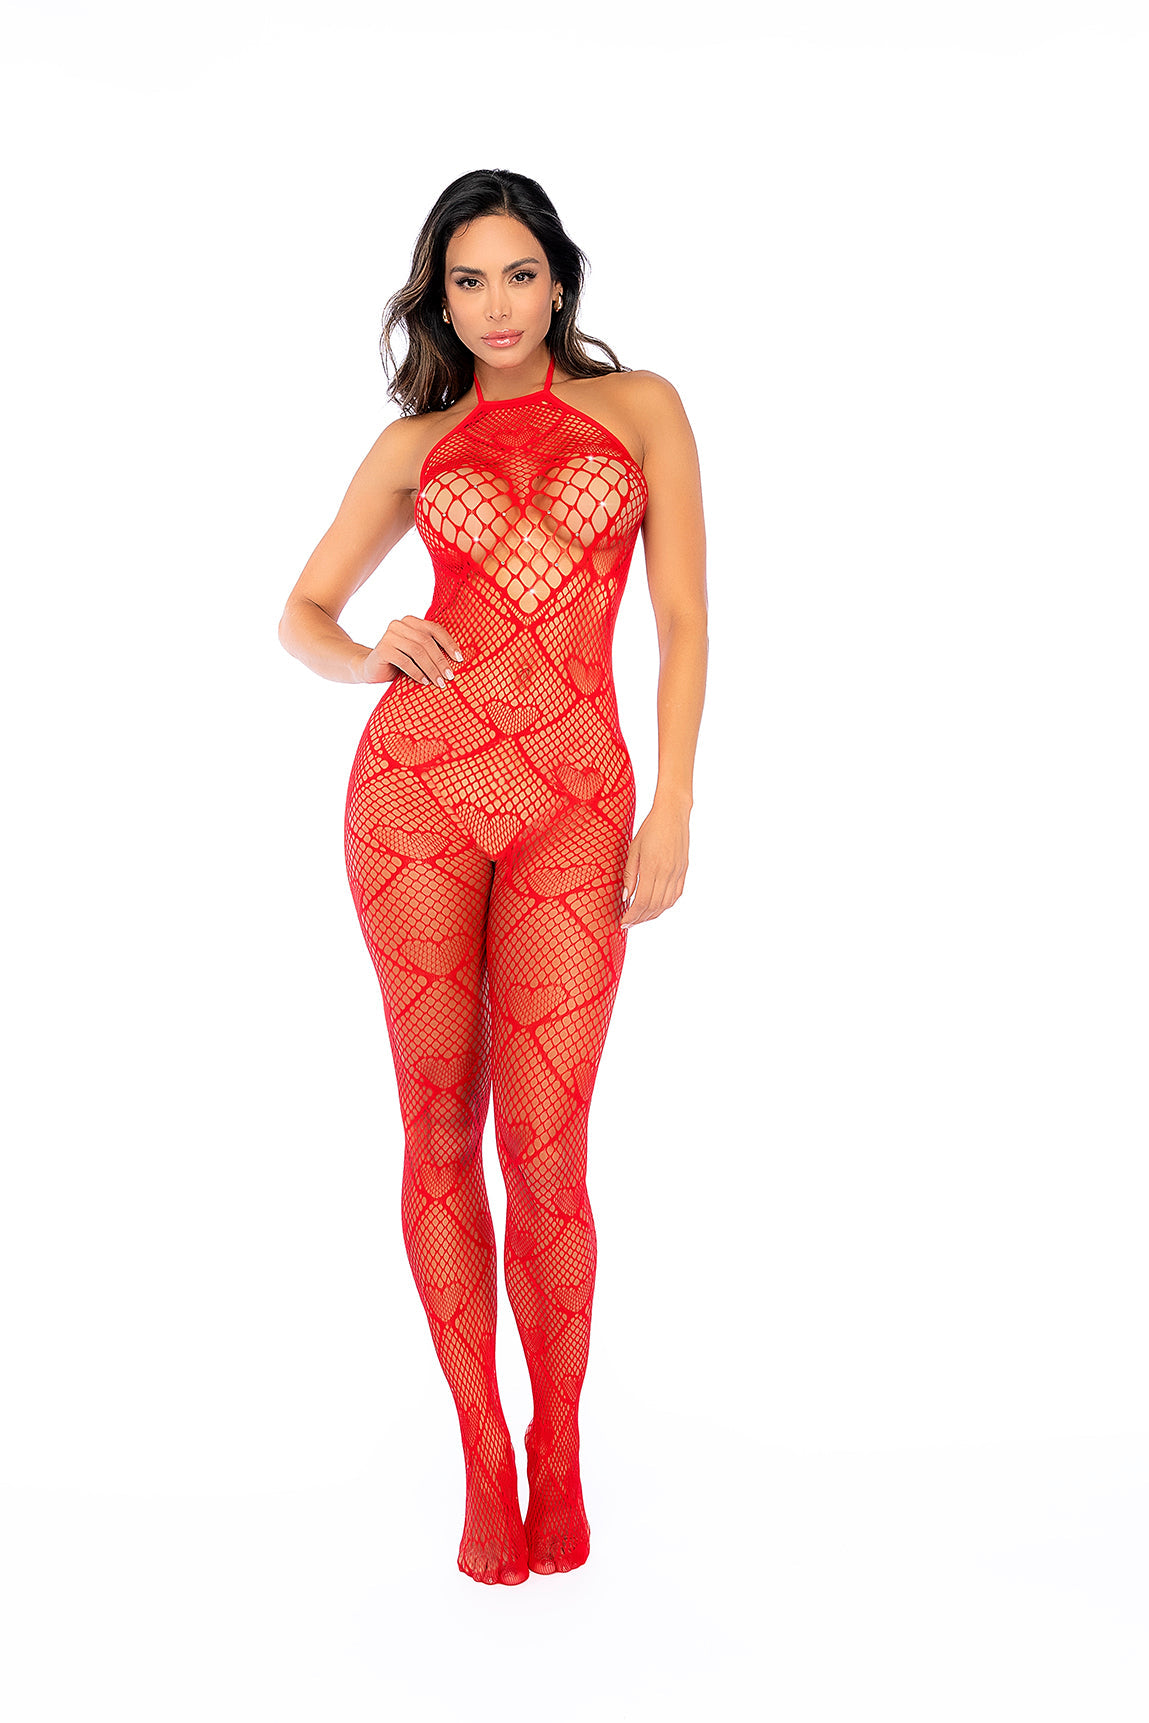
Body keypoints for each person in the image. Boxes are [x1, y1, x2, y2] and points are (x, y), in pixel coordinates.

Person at [278, 168, 707, 1585]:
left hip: (578, 801)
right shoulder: (414, 443)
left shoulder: (640, 408)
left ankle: (558, 1444)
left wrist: (672, 806)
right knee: (437, 1126)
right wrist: (369, 652)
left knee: (548, 1148)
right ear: (440, 301)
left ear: (559, 281)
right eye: (467, 281)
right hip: (417, 790)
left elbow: (684, 617)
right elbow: (300, 612)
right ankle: (480, 1452)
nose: (497, 304)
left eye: (519, 273)